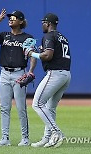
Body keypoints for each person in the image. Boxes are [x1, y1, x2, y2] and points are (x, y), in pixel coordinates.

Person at [0, 9, 36, 146]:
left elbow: (32, 55)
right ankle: (5, 138)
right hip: (4, 73)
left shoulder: (27, 38)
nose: (11, 19)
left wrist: (30, 72)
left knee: (21, 107)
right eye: (10, 18)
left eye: (14, 18)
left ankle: (25, 138)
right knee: (4, 107)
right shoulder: (4, 35)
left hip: (19, 73)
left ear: (21, 21)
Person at [26, 13, 71, 148]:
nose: (42, 25)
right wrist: (40, 49)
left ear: (48, 23)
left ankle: (56, 132)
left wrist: (31, 54)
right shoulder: (62, 37)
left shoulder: (49, 35)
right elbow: (52, 52)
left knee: (37, 104)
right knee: (50, 108)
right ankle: (47, 139)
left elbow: (48, 55)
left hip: (55, 74)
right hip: (66, 74)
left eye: (43, 22)